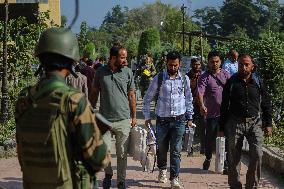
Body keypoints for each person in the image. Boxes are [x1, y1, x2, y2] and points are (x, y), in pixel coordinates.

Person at [15, 27, 110, 189]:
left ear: (41, 59)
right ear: (72, 61)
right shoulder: (74, 100)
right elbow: (98, 158)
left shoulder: (25, 99)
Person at [219, 54, 272, 189]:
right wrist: (221, 127)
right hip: (234, 122)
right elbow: (224, 105)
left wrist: (268, 123)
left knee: (257, 154)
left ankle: (252, 186)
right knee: (233, 157)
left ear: (252, 66)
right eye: (241, 64)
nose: (244, 67)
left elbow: (266, 103)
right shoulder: (231, 82)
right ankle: (235, 185)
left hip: (255, 122)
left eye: (247, 64)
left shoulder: (258, 82)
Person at [143, 51, 194, 189]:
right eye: (170, 65)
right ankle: (162, 169)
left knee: (176, 150)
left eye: (175, 65)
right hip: (162, 121)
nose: (173, 68)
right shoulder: (159, 78)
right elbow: (147, 98)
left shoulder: (184, 79)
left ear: (180, 64)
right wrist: (147, 117)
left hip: (179, 120)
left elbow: (188, 99)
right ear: (166, 63)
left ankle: (175, 178)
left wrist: (190, 117)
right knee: (162, 149)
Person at [89, 44, 137, 189]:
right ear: (113, 58)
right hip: (104, 119)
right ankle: (108, 174)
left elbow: (131, 95)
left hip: (123, 119)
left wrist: (134, 116)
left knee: (122, 153)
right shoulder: (100, 72)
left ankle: (121, 181)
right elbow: (94, 92)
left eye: (125, 57)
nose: (125, 60)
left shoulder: (128, 72)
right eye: (122, 57)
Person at [197, 51, 230, 170]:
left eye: (217, 61)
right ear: (208, 62)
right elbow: (200, 92)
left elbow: (232, 90)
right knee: (209, 138)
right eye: (212, 62)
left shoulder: (226, 75)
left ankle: (226, 162)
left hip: (225, 114)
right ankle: (208, 157)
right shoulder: (204, 77)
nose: (214, 64)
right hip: (211, 114)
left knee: (226, 138)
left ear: (220, 62)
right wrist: (202, 105)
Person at [185, 58, 205, 155]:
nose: (196, 66)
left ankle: (203, 148)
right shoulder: (186, 77)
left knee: (202, 127)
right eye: (194, 64)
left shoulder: (204, 76)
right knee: (189, 128)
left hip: (201, 106)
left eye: (198, 64)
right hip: (190, 106)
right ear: (191, 65)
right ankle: (190, 149)